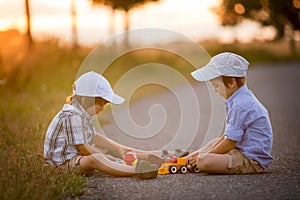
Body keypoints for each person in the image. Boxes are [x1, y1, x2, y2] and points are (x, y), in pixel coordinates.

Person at [44, 71, 166, 179]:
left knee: (105, 146)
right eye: (101, 104)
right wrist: (110, 159)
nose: (102, 109)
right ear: (87, 100)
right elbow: (83, 148)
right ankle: (138, 170)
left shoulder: (84, 114)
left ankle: (144, 156)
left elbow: (93, 137)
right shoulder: (72, 115)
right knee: (97, 158)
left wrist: (118, 149)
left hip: (77, 156)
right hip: (63, 164)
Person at [188, 52, 273, 174]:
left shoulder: (241, 105)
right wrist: (204, 153)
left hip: (250, 159)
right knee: (214, 142)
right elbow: (227, 136)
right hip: (239, 150)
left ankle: (196, 162)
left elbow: (230, 142)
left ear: (232, 83)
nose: (214, 90)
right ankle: (187, 160)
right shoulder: (236, 100)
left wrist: (206, 156)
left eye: (216, 86)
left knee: (204, 161)